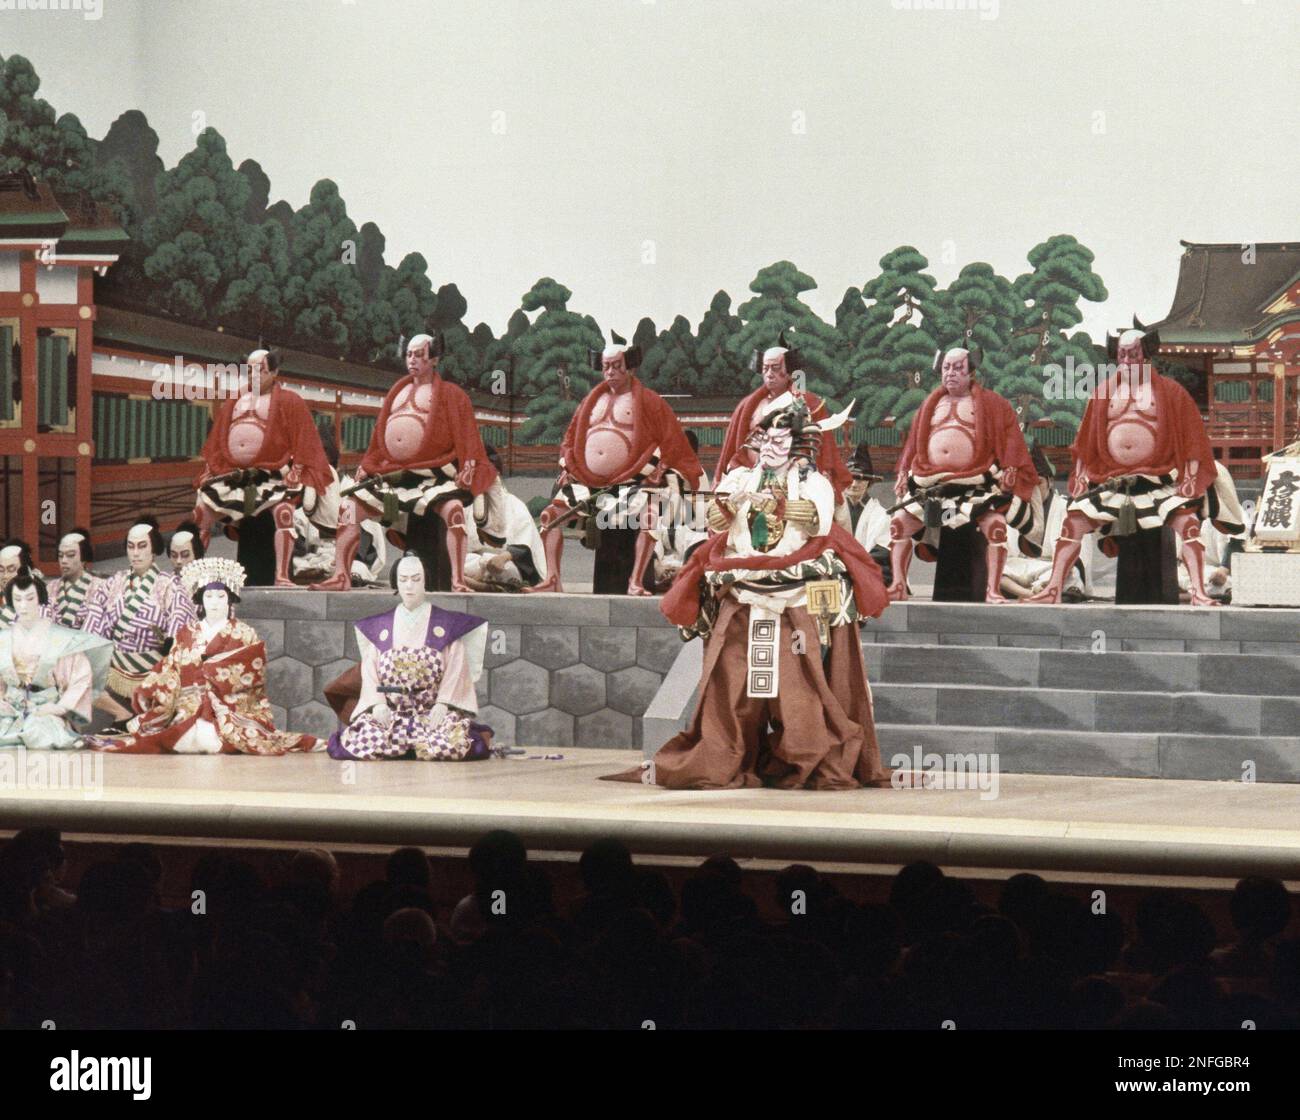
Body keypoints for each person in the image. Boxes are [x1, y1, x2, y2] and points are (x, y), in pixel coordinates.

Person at [636, 398, 891, 790]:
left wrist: (779, 504)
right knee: (731, 687)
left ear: (798, 443)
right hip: (742, 588)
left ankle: (804, 756)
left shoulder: (814, 482)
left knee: (798, 691)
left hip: (796, 592)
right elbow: (715, 521)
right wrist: (728, 506)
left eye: (781, 439)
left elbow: (818, 522)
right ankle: (725, 753)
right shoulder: (739, 478)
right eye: (766, 438)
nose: (771, 446)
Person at [1029, 317, 1243, 605]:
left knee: (1188, 526)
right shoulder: (1104, 391)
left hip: (1159, 482)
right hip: (1114, 482)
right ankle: (1054, 587)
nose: (1127, 359)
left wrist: (1190, 479)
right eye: (1122, 354)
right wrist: (1080, 476)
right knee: (1074, 522)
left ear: (1146, 354)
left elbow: (1193, 438)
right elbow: (1086, 441)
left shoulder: (1170, 391)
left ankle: (1198, 592)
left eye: (1133, 353)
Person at [313, 333, 496, 592]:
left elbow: (467, 435)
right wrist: (368, 463)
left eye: (419, 354)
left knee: (454, 511)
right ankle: (341, 575)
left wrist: (469, 467)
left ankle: (457, 581)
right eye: (409, 354)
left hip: (433, 476)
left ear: (434, 358)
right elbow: (379, 436)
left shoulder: (451, 394)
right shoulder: (397, 390)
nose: (412, 360)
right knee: (348, 509)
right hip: (393, 475)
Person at [527, 332, 703, 595]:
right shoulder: (590, 401)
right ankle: (552, 578)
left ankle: (635, 582)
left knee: (649, 517)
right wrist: (568, 467)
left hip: (632, 481)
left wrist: (662, 467)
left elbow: (672, 439)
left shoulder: (650, 400)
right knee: (549, 517)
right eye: (606, 366)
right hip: (589, 481)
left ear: (629, 366)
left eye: (616, 365)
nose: (610, 371)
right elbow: (571, 438)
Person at [87, 557, 319, 755]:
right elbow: (169, 670)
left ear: (230, 599)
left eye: (220, 596)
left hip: (227, 710)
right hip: (187, 710)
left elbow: (254, 673)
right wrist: (159, 689)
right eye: (209, 597)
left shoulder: (244, 633)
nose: (215, 603)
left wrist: (213, 676)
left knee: (211, 739)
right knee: (180, 739)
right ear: (200, 601)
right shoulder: (187, 634)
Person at [886, 346, 1040, 603]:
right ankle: (898, 584)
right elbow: (913, 443)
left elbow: (1011, 437)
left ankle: (992, 590)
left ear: (971, 372)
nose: (951, 373)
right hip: (932, 487)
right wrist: (904, 472)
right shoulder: (929, 404)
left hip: (975, 485)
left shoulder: (993, 403)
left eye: (958, 368)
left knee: (997, 528)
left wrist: (1010, 468)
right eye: (946, 367)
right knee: (899, 525)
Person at [193, 348, 337, 588]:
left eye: (260, 370)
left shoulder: (290, 400)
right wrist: (211, 467)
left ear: (275, 371)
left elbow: (304, 438)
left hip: (272, 477)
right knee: (201, 511)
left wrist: (296, 470)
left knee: (283, 513)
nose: (254, 375)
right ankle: (194, 572)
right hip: (236, 476)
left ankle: (280, 575)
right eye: (249, 370)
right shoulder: (235, 400)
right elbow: (217, 439)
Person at [327, 552, 492, 761]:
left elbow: (456, 670)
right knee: (362, 742)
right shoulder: (381, 626)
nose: (409, 586)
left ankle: (415, 742)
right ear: (396, 582)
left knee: (454, 744)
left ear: (426, 582)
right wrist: (378, 704)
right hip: (393, 710)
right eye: (403, 580)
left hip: (431, 710)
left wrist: (443, 703)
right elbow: (370, 673)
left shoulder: (446, 624)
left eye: (416, 579)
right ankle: (407, 743)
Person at [715, 333, 855, 526]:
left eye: (775, 368)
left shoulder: (809, 403)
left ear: (789, 371)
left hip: (796, 476)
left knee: (831, 520)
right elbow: (738, 447)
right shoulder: (749, 406)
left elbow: (824, 449)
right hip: (751, 474)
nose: (769, 374)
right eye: (765, 369)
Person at [83, 518, 198, 723]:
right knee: (76, 671)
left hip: (154, 668)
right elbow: (95, 613)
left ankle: (153, 717)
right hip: (115, 665)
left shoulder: (168, 584)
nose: (135, 553)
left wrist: (170, 640)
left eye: (142, 546)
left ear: (154, 549)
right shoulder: (113, 583)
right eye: (131, 546)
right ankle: (120, 713)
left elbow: (180, 615)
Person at [0, 573, 112, 750]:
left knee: (37, 733)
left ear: (40, 599)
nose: (23, 605)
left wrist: (59, 707)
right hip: (9, 708)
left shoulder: (58, 639)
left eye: (30, 598)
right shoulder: (4, 639)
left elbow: (80, 679)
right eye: (17, 599)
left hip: (45, 709)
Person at [47, 529, 103, 630]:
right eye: (60, 556)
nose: (64, 561)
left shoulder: (101, 587)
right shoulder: (51, 587)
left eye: (70, 555)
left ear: (83, 557)